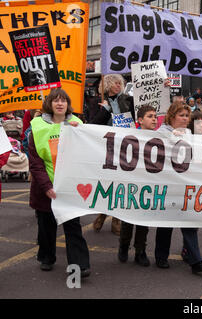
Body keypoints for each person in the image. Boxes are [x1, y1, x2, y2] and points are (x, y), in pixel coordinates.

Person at [28, 88, 90, 275]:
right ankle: (47, 257)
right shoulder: (37, 127)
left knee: (73, 226)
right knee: (46, 227)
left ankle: (80, 264)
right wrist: (47, 187)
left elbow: (88, 153)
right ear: (50, 104)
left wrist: (83, 134)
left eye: (63, 100)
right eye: (56, 100)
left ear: (68, 104)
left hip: (71, 187)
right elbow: (35, 162)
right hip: (45, 188)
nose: (60, 103)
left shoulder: (77, 124)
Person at [154, 101, 202, 274]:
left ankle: (195, 260)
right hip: (168, 183)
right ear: (171, 117)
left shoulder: (189, 133)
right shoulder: (160, 133)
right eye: (181, 115)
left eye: (187, 116)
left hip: (185, 184)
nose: (185, 119)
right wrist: (173, 136)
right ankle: (161, 256)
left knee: (190, 222)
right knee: (166, 224)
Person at [89, 74, 134, 235]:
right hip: (105, 147)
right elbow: (93, 124)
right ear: (107, 84)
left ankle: (116, 220)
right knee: (108, 184)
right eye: (114, 82)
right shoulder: (97, 102)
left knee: (122, 183)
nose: (117, 85)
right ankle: (103, 213)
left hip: (125, 147)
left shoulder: (129, 100)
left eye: (119, 82)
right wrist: (106, 110)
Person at [117, 105, 158, 267]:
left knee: (143, 222)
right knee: (128, 220)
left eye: (155, 116)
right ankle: (124, 246)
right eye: (150, 116)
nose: (154, 119)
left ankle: (140, 251)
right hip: (131, 183)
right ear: (140, 120)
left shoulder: (160, 138)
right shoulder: (129, 136)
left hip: (148, 185)